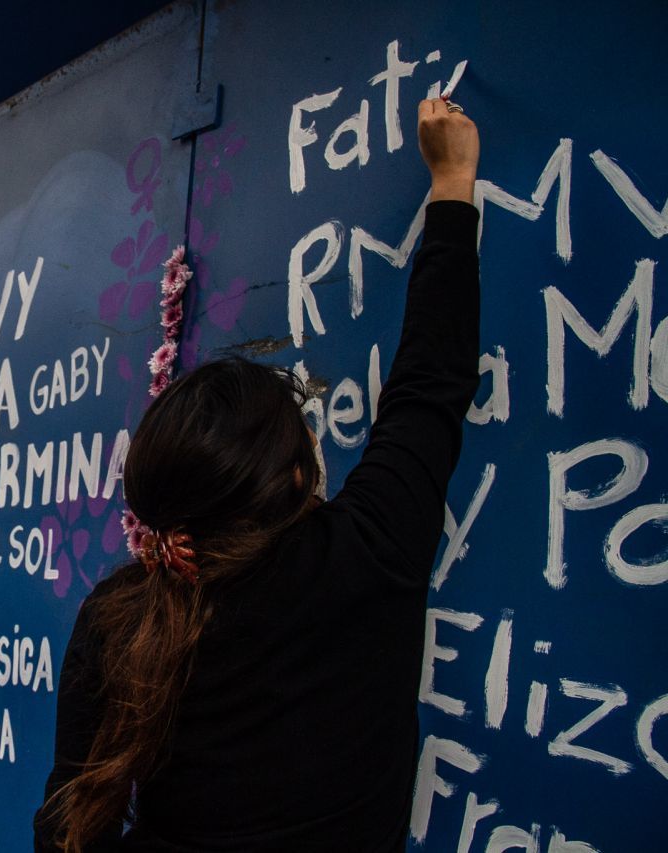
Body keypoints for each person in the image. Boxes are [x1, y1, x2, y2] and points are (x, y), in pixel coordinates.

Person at [33, 99, 481, 852]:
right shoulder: (367, 550)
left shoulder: (118, 614)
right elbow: (429, 387)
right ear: (294, 474)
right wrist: (453, 181)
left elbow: (67, 829)